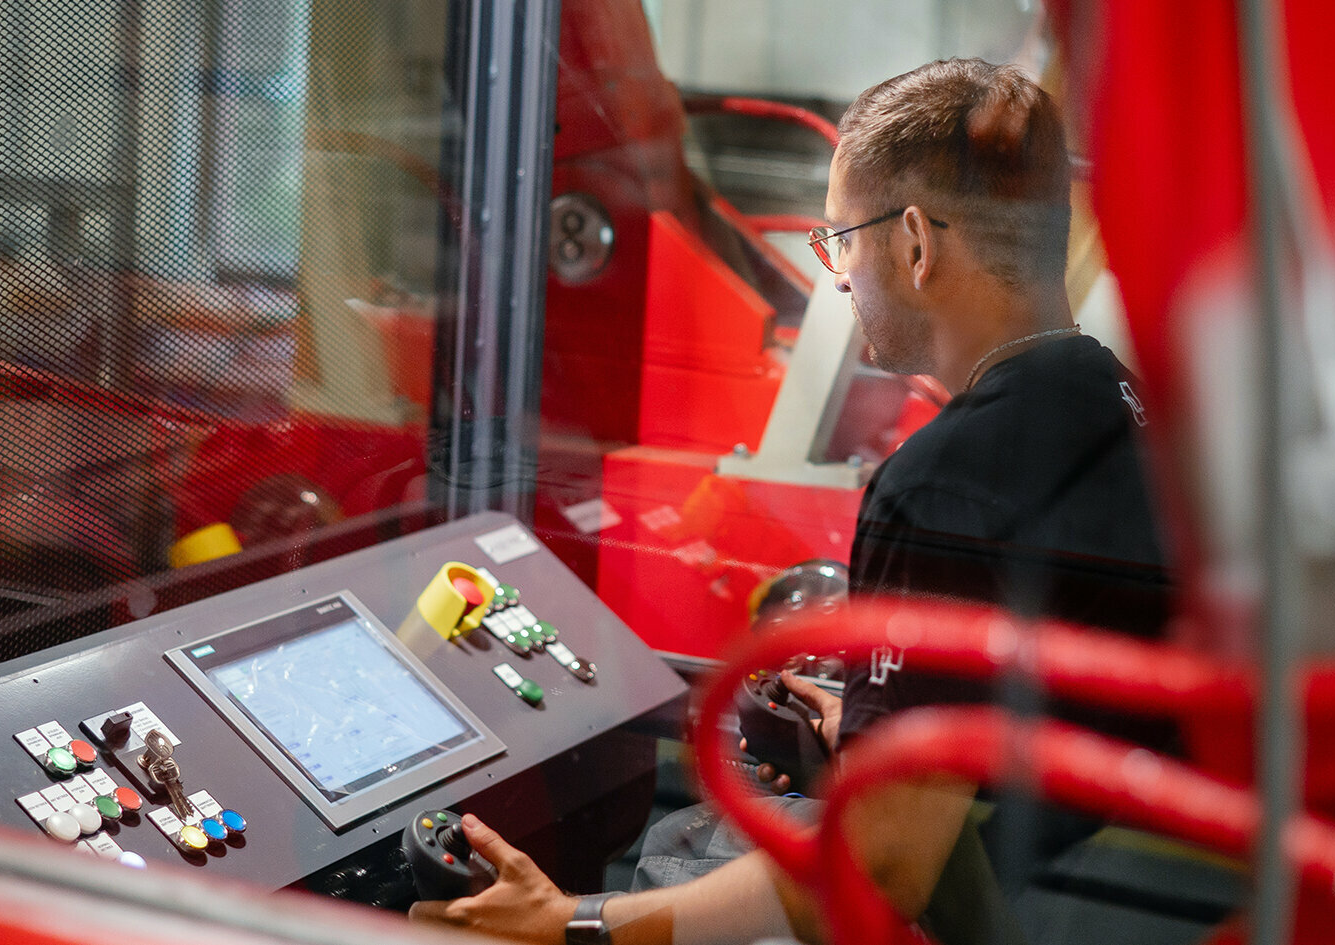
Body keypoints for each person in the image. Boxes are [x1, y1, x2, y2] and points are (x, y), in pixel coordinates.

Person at [409, 57, 1168, 945]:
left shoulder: (938, 484)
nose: (839, 275)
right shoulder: (1114, 397)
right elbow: (1059, 694)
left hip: (1065, 907)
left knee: (680, 850)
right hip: (1113, 880)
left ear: (916, 243)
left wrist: (576, 921)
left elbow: (882, 873)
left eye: (840, 238)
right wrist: (887, 721)